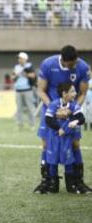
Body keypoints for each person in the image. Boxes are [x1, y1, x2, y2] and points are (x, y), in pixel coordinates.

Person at [34, 45, 92, 194]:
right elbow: (40, 90)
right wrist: (54, 109)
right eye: (69, 65)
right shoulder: (48, 64)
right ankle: (49, 182)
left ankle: (76, 182)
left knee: (75, 144)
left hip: (71, 113)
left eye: (74, 63)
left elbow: (83, 93)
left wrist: (71, 110)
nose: (72, 67)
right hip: (51, 110)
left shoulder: (83, 67)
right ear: (63, 60)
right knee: (47, 145)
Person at [43, 82, 86, 194]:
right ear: (64, 93)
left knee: (68, 160)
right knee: (52, 160)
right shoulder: (54, 104)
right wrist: (59, 128)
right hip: (54, 138)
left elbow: (81, 118)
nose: (75, 93)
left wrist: (75, 121)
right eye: (72, 91)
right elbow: (48, 119)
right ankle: (53, 185)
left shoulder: (73, 105)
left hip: (67, 139)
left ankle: (70, 185)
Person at [12, 52, 36, 130]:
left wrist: (25, 74)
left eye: (20, 58)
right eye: (18, 58)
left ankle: (32, 124)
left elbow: (33, 75)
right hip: (18, 90)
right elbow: (12, 77)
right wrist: (16, 75)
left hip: (27, 89)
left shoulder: (29, 66)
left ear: (25, 59)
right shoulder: (16, 67)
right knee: (19, 108)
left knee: (30, 107)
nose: (19, 60)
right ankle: (19, 124)